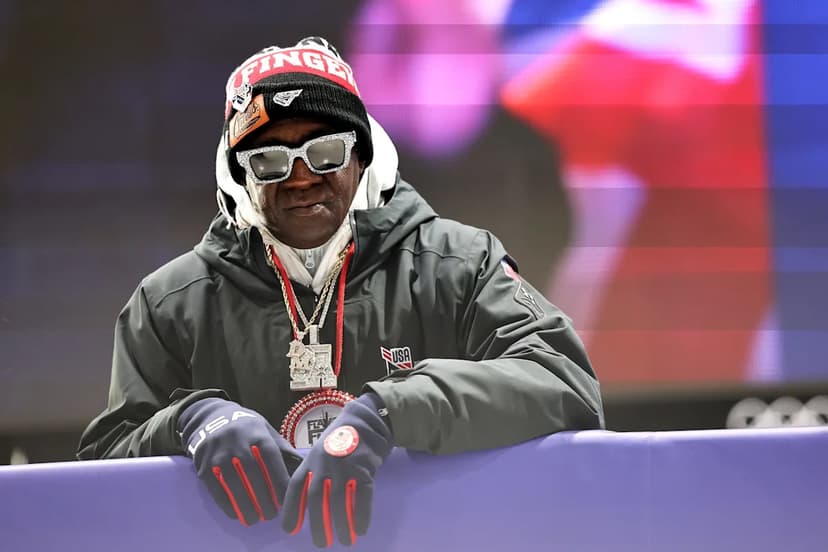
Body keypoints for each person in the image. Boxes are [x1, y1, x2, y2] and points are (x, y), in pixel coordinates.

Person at [77, 36, 604, 548]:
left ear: (363, 156)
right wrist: (189, 422)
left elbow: (565, 384)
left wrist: (392, 411)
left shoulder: (459, 264)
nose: (301, 178)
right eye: (269, 161)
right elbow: (99, 474)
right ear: (239, 176)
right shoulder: (170, 302)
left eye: (326, 151)